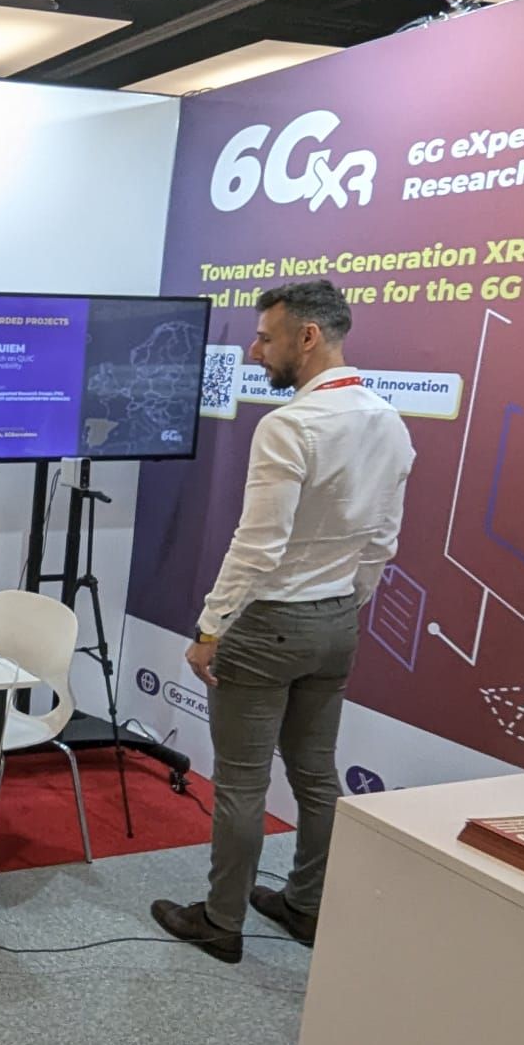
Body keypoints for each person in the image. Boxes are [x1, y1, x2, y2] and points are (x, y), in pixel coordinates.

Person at [152, 280, 414, 963]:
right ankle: (307, 907)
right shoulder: (388, 420)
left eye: (266, 337)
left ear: (308, 336)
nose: (254, 349)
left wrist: (211, 628)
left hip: (269, 623)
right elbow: (383, 541)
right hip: (336, 621)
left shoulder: (291, 426)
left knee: (242, 783)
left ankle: (221, 921)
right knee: (317, 775)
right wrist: (347, 603)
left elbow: (258, 546)